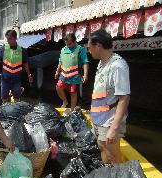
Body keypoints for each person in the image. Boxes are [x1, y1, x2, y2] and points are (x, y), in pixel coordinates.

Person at [87, 29, 130, 164]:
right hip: (100, 117)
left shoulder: (117, 66)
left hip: (110, 119)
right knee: (101, 145)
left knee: (113, 154)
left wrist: (114, 128)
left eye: (90, 48)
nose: (89, 51)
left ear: (98, 46)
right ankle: (107, 176)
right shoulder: (102, 63)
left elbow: (124, 98)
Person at [0, 30, 33, 103]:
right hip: (5, 79)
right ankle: (6, 111)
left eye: (10, 39)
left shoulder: (22, 50)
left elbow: (26, 63)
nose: (8, 41)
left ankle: (15, 111)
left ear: (15, 38)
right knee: (4, 97)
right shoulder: (3, 49)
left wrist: (29, 75)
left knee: (16, 97)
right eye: (7, 39)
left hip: (17, 79)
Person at [55, 33, 89, 111]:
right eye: (66, 44)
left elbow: (85, 62)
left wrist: (85, 75)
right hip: (63, 75)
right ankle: (65, 101)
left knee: (73, 93)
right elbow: (60, 61)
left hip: (75, 76)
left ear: (74, 41)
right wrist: (57, 71)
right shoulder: (63, 49)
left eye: (69, 44)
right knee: (58, 87)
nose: (68, 45)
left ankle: (72, 110)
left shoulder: (80, 49)